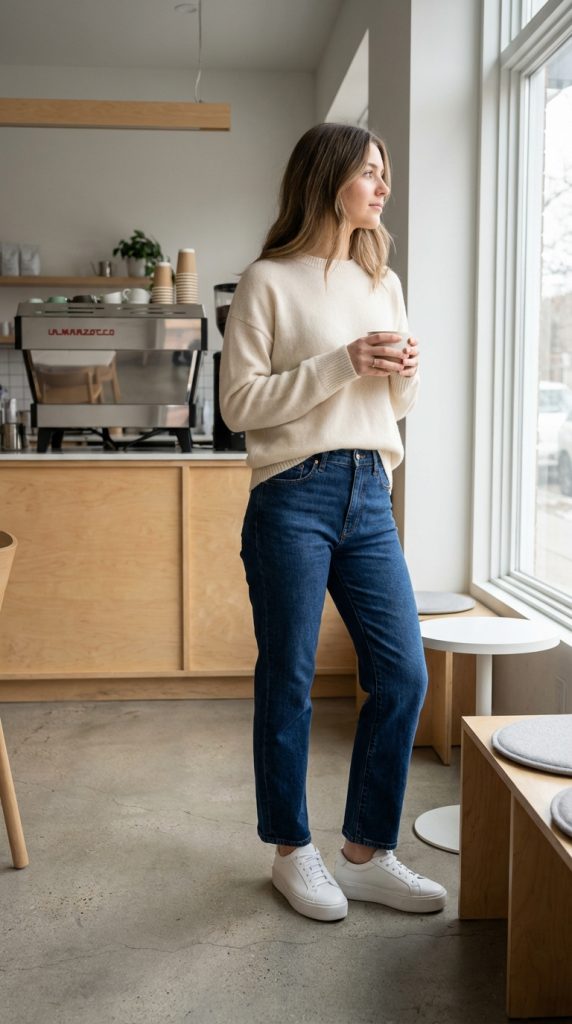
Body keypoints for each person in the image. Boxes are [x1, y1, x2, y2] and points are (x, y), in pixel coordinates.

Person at [219, 122, 446, 923]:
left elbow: (395, 405)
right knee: (288, 676)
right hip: (293, 493)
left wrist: (405, 375)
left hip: (369, 489)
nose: (384, 187)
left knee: (404, 673)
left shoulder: (382, 280)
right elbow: (239, 405)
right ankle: (291, 850)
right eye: (370, 173)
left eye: (385, 174)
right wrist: (340, 363)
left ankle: (365, 851)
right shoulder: (267, 281)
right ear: (327, 178)